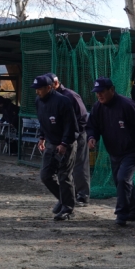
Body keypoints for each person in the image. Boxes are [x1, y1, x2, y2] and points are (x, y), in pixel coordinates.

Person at [86, 77, 135, 226]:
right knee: (121, 182)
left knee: (123, 179)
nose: (99, 95)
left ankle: (121, 214)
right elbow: (92, 126)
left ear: (112, 90)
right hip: (114, 151)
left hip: (131, 151)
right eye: (97, 92)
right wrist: (92, 137)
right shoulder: (98, 107)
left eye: (102, 91)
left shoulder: (127, 105)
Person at [33, 74, 78, 221]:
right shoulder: (38, 101)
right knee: (45, 175)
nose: (37, 91)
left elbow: (71, 125)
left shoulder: (63, 101)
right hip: (51, 143)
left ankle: (68, 209)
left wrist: (64, 143)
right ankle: (64, 199)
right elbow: (42, 121)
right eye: (36, 89)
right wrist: (41, 137)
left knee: (64, 175)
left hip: (66, 144)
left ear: (49, 87)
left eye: (39, 89)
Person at [46, 73, 90, 206]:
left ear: (55, 84)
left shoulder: (70, 95)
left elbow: (83, 117)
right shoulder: (51, 98)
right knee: (66, 166)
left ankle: (83, 196)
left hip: (77, 135)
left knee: (79, 164)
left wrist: (75, 134)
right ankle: (72, 194)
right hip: (62, 137)